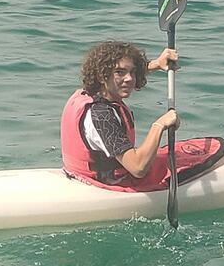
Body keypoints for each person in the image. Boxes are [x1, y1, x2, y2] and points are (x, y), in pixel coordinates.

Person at [60, 40, 181, 190]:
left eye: (133, 72)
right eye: (120, 72)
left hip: (76, 173)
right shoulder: (102, 116)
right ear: (102, 76)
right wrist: (159, 125)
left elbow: (123, 74)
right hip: (105, 184)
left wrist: (157, 63)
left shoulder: (89, 93)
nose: (129, 78)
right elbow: (138, 168)